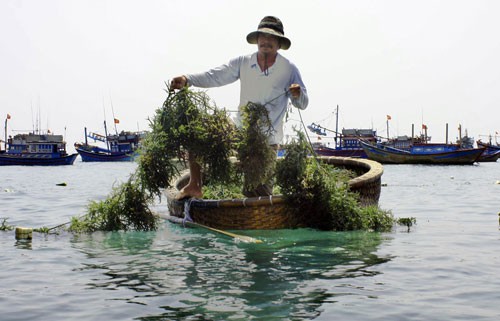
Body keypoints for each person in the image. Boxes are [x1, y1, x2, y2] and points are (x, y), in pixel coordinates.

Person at [170, 16, 309, 199]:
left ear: (279, 43)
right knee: (196, 132)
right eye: (263, 36)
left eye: (272, 38)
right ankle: (194, 184)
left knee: (257, 195)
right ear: (257, 39)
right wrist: (188, 79)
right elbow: (215, 76)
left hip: (266, 140)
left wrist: (297, 94)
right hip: (239, 130)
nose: (266, 41)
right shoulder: (243, 62)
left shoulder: (289, 69)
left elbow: (303, 104)